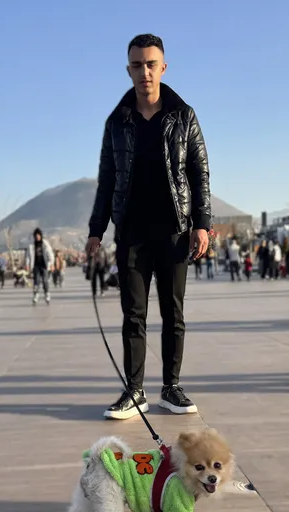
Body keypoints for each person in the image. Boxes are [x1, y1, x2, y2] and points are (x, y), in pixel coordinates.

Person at [86, 33, 211, 420]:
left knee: (173, 313)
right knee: (133, 314)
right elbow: (107, 179)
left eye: (151, 64)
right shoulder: (117, 121)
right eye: (137, 65)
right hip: (132, 231)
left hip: (174, 229)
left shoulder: (183, 115)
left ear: (163, 67)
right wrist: (96, 229)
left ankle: (171, 387)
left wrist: (202, 224)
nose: (145, 72)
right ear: (129, 70)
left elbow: (199, 173)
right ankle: (134, 390)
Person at [26, 227, 54, 305]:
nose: (37, 237)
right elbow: (27, 256)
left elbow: (50, 254)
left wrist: (52, 263)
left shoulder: (45, 244)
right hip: (36, 266)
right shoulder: (31, 245)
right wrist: (27, 264)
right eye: (36, 236)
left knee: (45, 281)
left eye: (38, 235)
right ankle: (36, 295)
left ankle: (47, 294)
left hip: (44, 265)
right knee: (36, 281)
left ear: (41, 236)